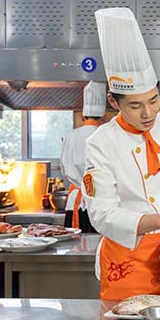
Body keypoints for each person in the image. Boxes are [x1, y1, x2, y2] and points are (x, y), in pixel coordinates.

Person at [83, 8, 160, 300]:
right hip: (128, 256)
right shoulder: (101, 142)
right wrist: (158, 220)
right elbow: (102, 214)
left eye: (154, 99)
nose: (148, 113)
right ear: (114, 101)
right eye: (135, 106)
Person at [61, 81, 106, 232]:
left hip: (76, 199)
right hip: (102, 202)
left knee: (75, 243)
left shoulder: (70, 136)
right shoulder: (107, 135)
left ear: (82, 116)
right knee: (99, 243)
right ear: (103, 118)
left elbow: (64, 170)